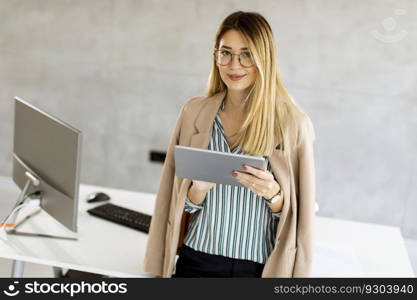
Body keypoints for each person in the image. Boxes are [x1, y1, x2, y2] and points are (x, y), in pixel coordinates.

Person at [144, 11, 316, 278]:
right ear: (215, 56)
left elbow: (300, 221)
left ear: (264, 59)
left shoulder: (293, 124)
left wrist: (274, 195)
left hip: (258, 268)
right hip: (197, 260)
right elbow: (176, 204)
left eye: (247, 54)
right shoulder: (194, 113)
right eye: (226, 53)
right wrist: (196, 191)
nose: (234, 65)